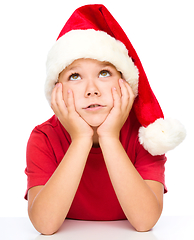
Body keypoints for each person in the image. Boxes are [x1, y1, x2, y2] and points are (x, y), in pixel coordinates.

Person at [24, 4, 186, 235]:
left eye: (104, 73)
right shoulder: (44, 137)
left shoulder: (146, 135)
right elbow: (45, 225)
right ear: (56, 90)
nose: (92, 90)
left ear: (125, 83)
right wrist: (81, 138)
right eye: (75, 75)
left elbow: (145, 222)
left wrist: (109, 136)